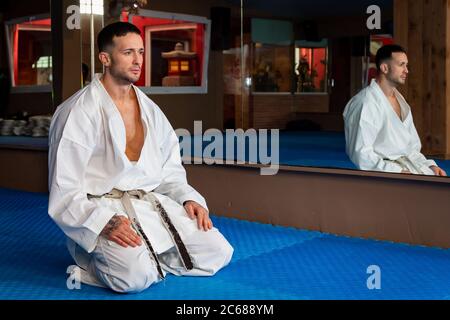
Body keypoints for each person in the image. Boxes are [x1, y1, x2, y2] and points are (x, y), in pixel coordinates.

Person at [48, 22, 233, 293]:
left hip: (147, 204)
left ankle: (147, 257)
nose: (138, 61)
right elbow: (65, 190)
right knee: (133, 279)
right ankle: (92, 266)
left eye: (141, 52)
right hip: (102, 210)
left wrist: (188, 198)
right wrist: (103, 223)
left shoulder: (150, 110)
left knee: (217, 252)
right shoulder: (78, 111)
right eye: (128, 53)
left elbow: (170, 170)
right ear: (105, 58)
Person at [343, 44, 447, 176]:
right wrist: (397, 172)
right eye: (401, 65)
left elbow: (410, 147)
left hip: (407, 169)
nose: (406, 70)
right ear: (384, 68)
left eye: (406, 65)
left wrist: (429, 165)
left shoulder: (400, 101)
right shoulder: (365, 103)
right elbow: (360, 153)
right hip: (383, 175)